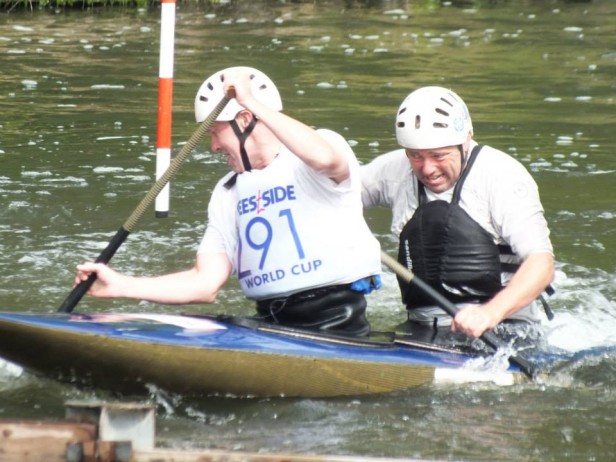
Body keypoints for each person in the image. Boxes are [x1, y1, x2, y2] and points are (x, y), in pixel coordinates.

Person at [75, 66, 382, 336]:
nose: (212, 146)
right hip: (270, 322)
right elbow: (204, 282)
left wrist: (250, 100)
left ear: (246, 119)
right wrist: (121, 286)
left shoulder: (315, 154)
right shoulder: (228, 191)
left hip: (336, 324)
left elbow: (326, 159)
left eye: (215, 133)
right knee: (193, 326)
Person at [361, 86, 554, 347]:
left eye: (438, 155)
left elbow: (542, 264)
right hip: (421, 327)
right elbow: (333, 195)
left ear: (465, 141)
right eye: (415, 156)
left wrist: (489, 313)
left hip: (504, 328)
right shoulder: (392, 171)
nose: (427, 169)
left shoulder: (502, 177)